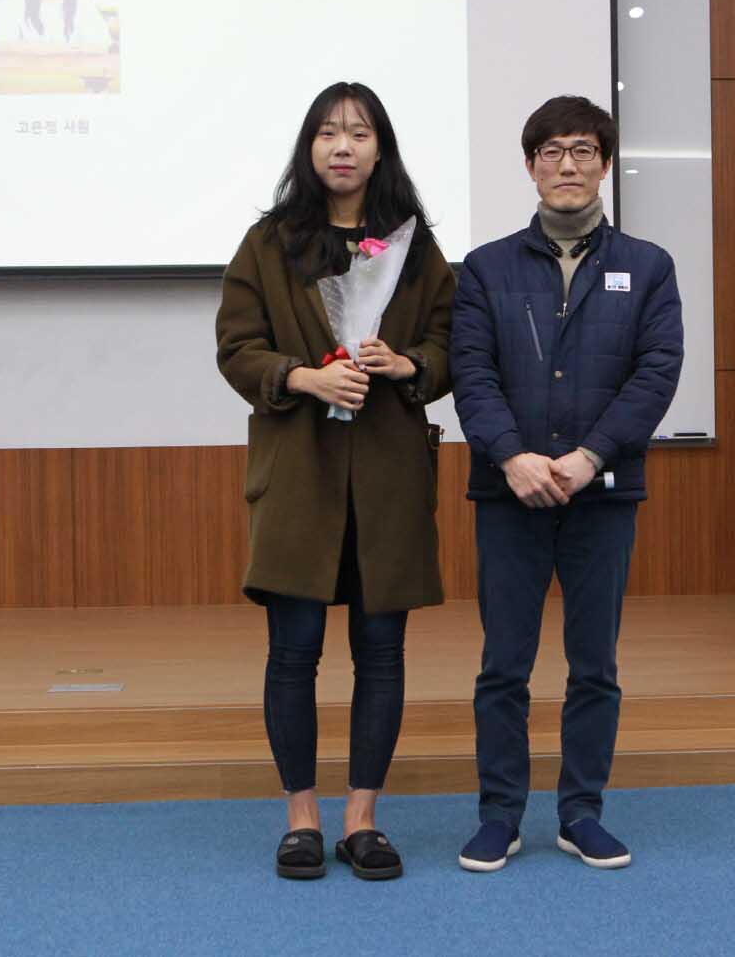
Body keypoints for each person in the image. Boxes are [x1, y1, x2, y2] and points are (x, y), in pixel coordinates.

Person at [215, 81, 454, 881]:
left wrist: (408, 362)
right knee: (294, 653)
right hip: (299, 472)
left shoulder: (413, 245)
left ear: (381, 149)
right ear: (309, 147)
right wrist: (303, 377)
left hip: (388, 473)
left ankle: (362, 818)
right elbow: (236, 348)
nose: (342, 146)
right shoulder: (269, 242)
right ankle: (301, 817)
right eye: (327, 132)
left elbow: (451, 342)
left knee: (381, 653)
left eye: (358, 132)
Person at [450, 95, 682, 873]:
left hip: (602, 495)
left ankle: (581, 812)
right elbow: (472, 373)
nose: (567, 165)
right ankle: (499, 816)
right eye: (551, 152)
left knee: (595, 667)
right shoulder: (486, 268)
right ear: (530, 167)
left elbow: (656, 373)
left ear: (604, 164)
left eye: (583, 150)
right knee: (503, 667)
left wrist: (590, 457)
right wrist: (511, 456)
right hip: (507, 495)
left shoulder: (648, 266)